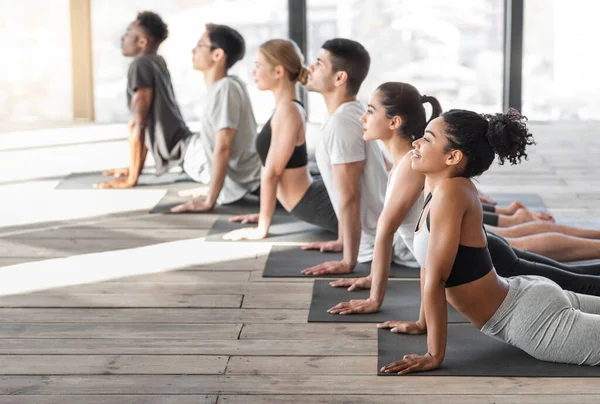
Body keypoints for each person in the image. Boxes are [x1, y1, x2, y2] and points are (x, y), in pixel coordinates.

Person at [327, 83, 600, 317]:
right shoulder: (406, 163)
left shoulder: (411, 164)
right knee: (578, 278)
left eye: (370, 110)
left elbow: (385, 232)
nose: (363, 117)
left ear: (394, 121)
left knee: (582, 284)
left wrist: (375, 298)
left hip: (488, 258)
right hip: (486, 250)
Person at [379, 108, 600, 374]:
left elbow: (437, 279)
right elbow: (429, 266)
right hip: (525, 296)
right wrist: (421, 322)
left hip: (530, 319)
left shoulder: (451, 192)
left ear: (453, 156)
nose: (416, 143)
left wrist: (433, 355)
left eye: (427, 139)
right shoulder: (437, 186)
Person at [300, 39, 417, 276]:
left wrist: (347, 262)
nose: (311, 68)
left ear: (340, 78)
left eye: (320, 63)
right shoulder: (348, 112)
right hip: (385, 236)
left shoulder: (342, 121)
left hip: (394, 244)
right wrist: (342, 239)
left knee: (493, 247)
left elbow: (350, 196)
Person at [219, 39, 337, 240]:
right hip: (307, 198)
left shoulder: (289, 110)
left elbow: (272, 174)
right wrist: (264, 214)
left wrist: (262, 228)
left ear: (278, 72)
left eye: (258, 66)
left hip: (314, 203)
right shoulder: (285, 108)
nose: (253, 72)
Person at [170, 24, 262, 212]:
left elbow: (224, 146)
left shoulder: (225, 89)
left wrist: (209, 202)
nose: (193, 50)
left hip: (254, 183)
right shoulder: (221, 88)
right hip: (247, 183)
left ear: (218, 55)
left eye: (200, 45)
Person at [96, 11, 192, 189]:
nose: (123, 38)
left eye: (128, 33)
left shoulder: (140, 64)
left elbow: (139, 124)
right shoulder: (156, 61)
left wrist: (132, 178)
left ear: (142, 42)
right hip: (188, 147)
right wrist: (133, 168)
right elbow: (146, 127)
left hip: (189, 155)